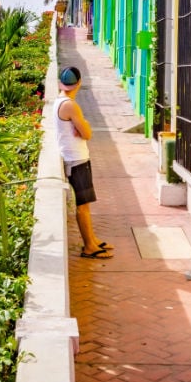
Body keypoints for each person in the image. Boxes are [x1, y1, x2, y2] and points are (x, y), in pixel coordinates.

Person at [55, 65, 113, 259]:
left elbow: (82, 131)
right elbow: (87, 133)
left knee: (86, 202)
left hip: (75, 157)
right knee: (83, 204)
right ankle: (89, 246)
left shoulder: (59, 102)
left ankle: (93, 240)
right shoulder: (70, 105)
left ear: (59, 83)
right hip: (76, 159)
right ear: (79, 83)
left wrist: (81, 126)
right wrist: (84, 125)